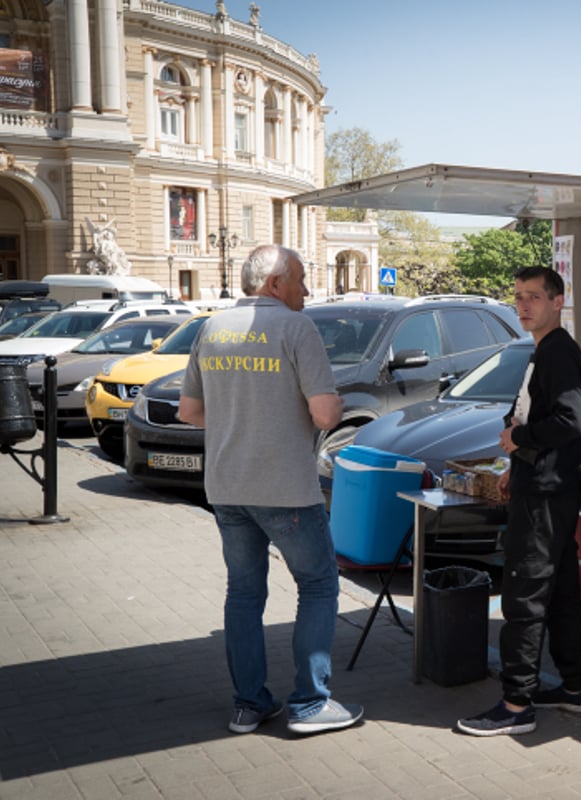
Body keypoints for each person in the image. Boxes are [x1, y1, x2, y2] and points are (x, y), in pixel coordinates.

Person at [179, 244, 363, 736]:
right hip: (285, 488)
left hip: (225, 486)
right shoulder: (296, 327)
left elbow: (190, 412)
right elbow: (325, 415)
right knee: (319, 585)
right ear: (275, 284)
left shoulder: (210, 328)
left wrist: (243, 415)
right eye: (300, 280)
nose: (305, 290)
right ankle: (309, 705)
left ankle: (248, 703)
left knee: (243, 594)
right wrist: (331, 407)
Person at [457, 266, 581, 737]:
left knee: (524, 595)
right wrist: (515, 465)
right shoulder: (544, 350)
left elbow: (571, 422)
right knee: (560, 593)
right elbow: (535, 411)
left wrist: (519, 439)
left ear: (558, 302)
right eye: (518, 297)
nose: (523, 306)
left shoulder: (558, 351)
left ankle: (517, 706)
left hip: (547, 494)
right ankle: (576, 689)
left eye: (533, 297)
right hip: (541, 483)